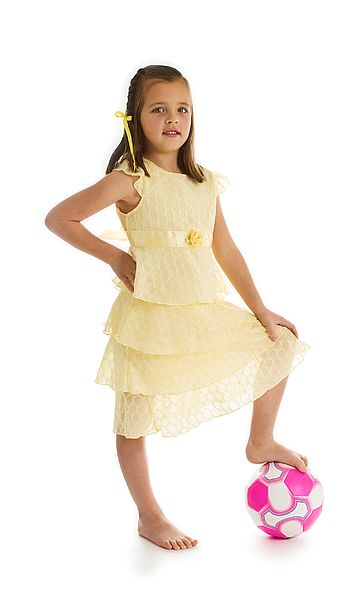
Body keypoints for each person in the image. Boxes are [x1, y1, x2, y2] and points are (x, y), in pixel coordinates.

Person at [44, 64, 311, 551]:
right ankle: (150, 515)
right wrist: (114, 255)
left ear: (194, 116)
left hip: (198, 309)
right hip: (148, 319)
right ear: (135, 119)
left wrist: (260, 308)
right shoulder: (131, 180)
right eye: (159, 109)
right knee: (133, 419)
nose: (173, 118)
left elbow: (225, 249)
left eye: (182, 109)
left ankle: (261, 441)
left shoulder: (203, 181)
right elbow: (59, 217)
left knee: (280, 341)